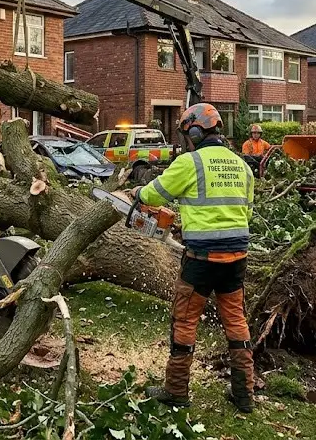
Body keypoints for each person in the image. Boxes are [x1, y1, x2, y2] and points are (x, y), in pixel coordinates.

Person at [131, 103, 256, 412]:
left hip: (201, 259)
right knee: (236, 322)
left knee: (185, 320)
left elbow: (153, 195)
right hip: (237, 258)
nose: (188, 140)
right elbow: (246, 211)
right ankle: (244, 395)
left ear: (196, 132)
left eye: (189, 134)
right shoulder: (242, 166)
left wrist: (138, 193)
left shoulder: (191, 163)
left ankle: (176, 391)